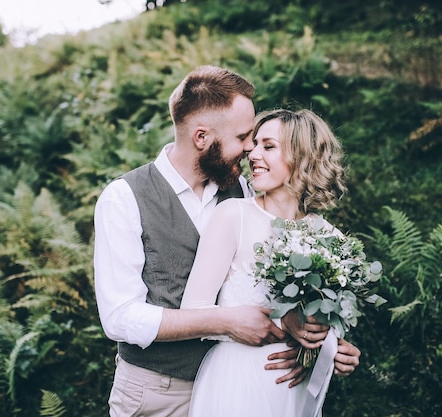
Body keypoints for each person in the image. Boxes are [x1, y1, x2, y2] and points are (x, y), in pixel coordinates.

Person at [93, 66, 360, 417]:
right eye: (244, 137)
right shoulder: (124, 198)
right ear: (201, 137)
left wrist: (314, 345)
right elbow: (120, 317)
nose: (250, 149)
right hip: (159, 390)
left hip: (249, 387)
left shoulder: (245, 191)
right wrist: (228, 321)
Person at [181, 108, 350, 417]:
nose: (253, 154)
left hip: (293, 390)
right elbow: (194, 311)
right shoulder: (234, 216)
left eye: (268, 146)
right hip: (236, 382)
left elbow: (325, 325)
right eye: (254, 144)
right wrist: (278, 322)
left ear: (303, 156)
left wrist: (331, 349)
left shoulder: (331, 237)